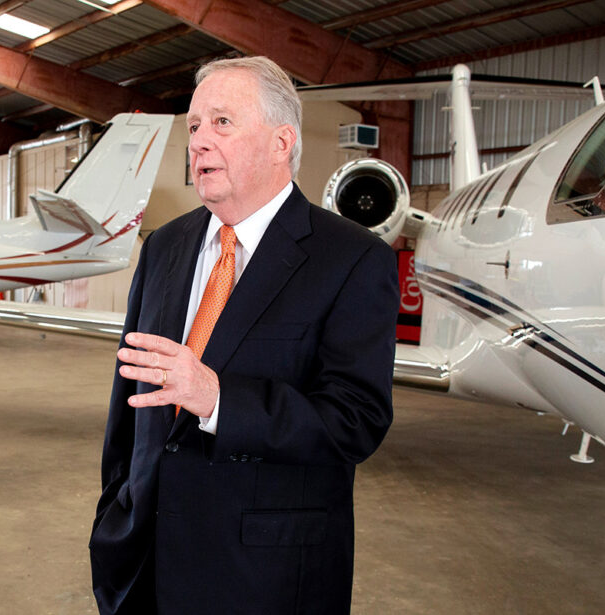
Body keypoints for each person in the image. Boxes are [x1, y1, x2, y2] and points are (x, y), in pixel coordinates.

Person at [89, 55, 399, 615]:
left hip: (264, 579)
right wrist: (115, 508)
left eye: (222, 123)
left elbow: (356, 421)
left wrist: (218, 400)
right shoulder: (164, 247)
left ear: (282, 142)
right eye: (194, 126)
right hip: (143, 565)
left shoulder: (353, 260)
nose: (200, 142)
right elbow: (126, 406)